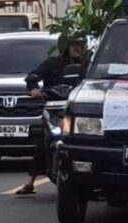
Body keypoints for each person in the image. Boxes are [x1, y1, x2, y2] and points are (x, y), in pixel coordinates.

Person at [16, 37, 87, 195]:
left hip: (75, 110)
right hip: (54, 109)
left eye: (80, 45)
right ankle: (30, 182)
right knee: (43, 140)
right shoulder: (52, 63)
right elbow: (33, 75)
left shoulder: (86, 66)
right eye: (74, 44)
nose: (77, 48)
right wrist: (34, 88)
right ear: (66, 46)